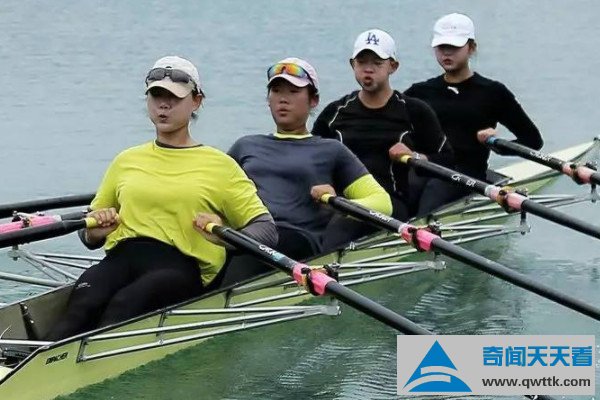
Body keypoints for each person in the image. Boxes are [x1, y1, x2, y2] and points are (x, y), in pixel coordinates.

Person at [47, 56, 276, 340]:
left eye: (174, 97)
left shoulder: (221, 166)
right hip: (121, 258)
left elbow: (266, 230)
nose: (163, 105)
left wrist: (225, 237)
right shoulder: (126, 160)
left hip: (180, 268)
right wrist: (96, 231)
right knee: (82, 305)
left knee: (124, 306)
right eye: (157, 95)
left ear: (196, 101)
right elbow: (88, 236)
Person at [228, 57, 392, 262]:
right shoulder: (245, 146)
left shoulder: (331, 150)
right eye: (276, 91)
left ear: (313, 100)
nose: (283, 99)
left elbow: (383, 203)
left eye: (293, 91)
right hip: (249, 235)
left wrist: (337, 203)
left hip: (297, 240)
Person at [405, 13, 543, 213]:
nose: (447, 53)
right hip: (425, 167)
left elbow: (533, 140)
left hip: (466, 175)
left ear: (471, 48)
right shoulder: (420, 92)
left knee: (433, 193)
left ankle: (421, 228)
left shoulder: (493, 92)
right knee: (401, 190)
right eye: (442, 47)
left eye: (454, 47)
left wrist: (496, 145)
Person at [312, 29, 454, 221]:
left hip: (391, 205)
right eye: (362, 62)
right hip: (341, 202)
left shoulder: (414, 111)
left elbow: (447, 159)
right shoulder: (334, 112)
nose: (368, 69)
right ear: (352, 64)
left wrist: (415, 156)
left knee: (341, 225)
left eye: (377, 63)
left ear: (393, 66)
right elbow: (312, 159)